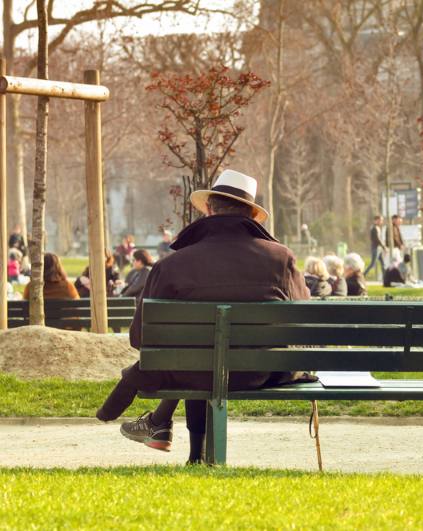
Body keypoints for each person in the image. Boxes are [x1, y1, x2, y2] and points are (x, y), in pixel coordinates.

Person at [96, 169, 311, 464]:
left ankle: (188, 449)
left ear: (209, 210)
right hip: (260, 372)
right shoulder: (281, 259)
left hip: (194, 371)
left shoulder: (171, 265)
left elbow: (140, 337)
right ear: (252, 214)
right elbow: (303, 324)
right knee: (201, 358)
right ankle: (187, 447)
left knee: (196, 358)